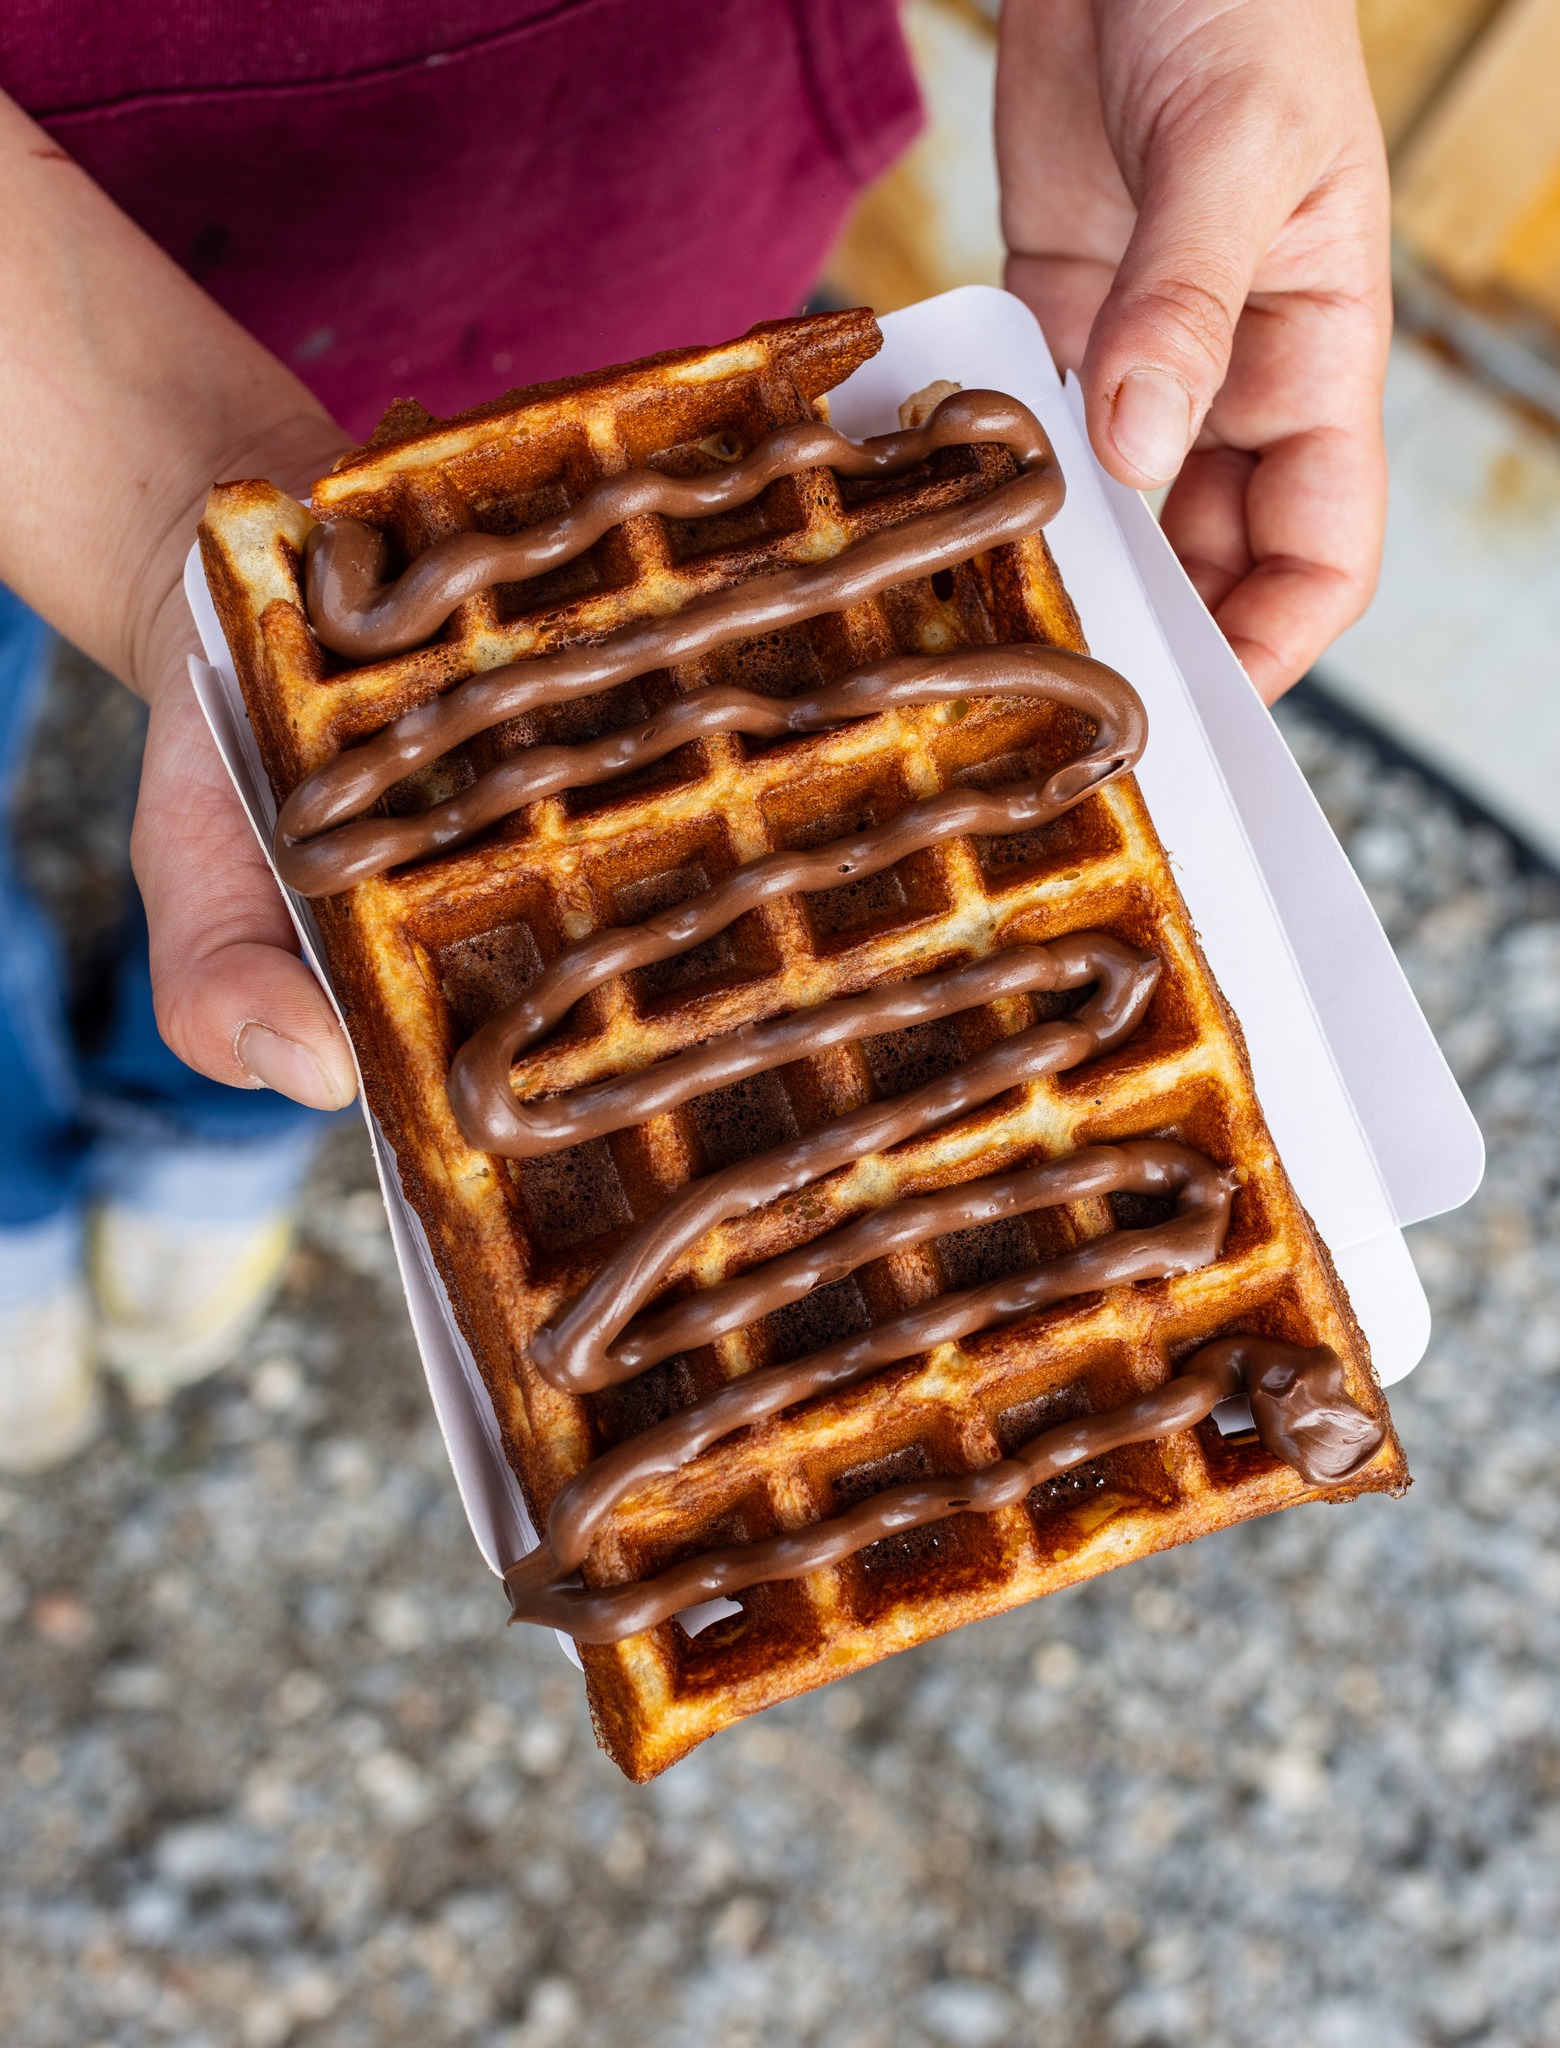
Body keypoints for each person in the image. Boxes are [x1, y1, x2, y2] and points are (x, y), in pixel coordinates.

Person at [0, 0, 1390, 1471]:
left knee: (353, 912)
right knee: (305, 827)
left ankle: (207, 1129)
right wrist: (142, 498)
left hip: (627, 152)